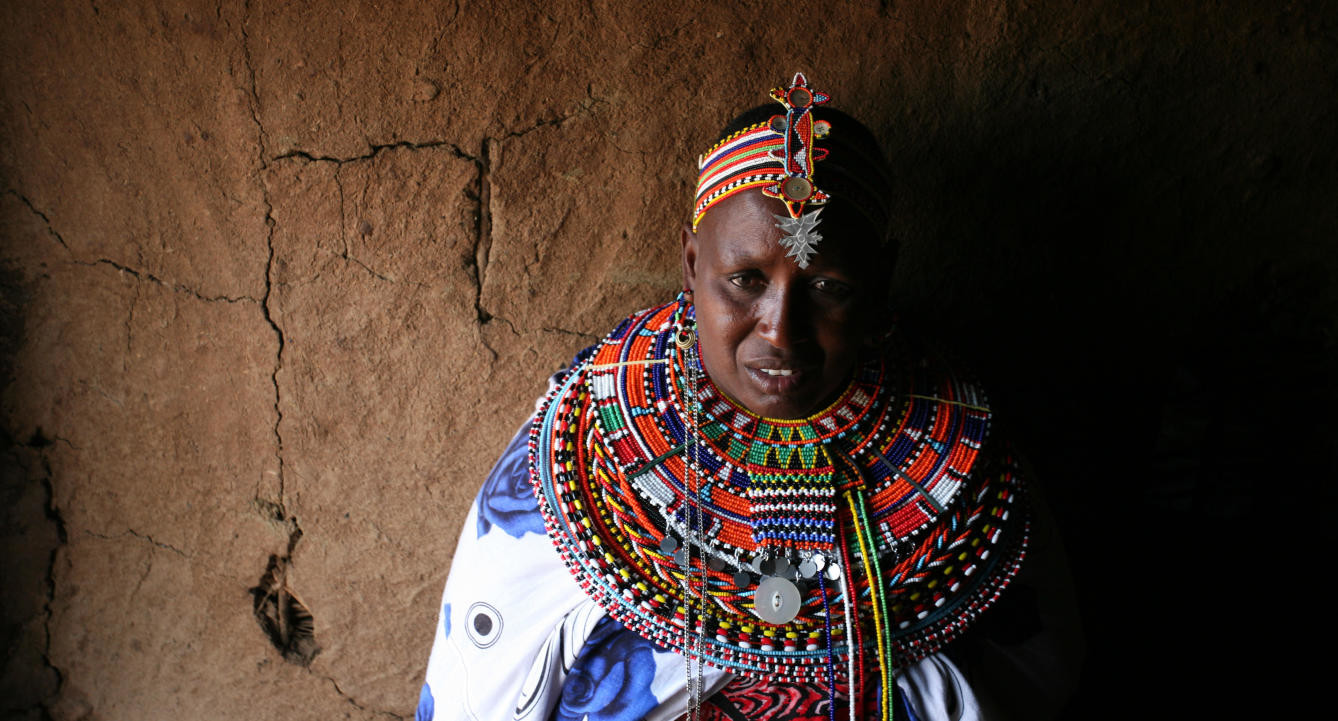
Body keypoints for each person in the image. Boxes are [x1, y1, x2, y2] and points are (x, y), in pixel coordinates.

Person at [416, 73, 1077, 721]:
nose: (780, 330)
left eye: (829, 286)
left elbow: (1033, 675)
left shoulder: (967, 464)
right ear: (691, 261)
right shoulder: (580, 446)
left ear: (881, 284)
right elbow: (479, 684)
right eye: (745, 278)